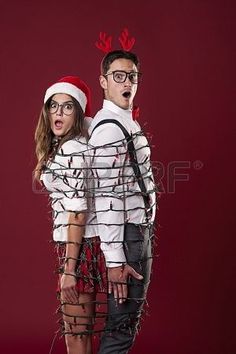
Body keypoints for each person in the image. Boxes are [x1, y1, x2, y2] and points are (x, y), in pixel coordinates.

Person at [88, 50, 157, 353]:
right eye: (118, 75)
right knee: (121, 327)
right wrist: (115, 260)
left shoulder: (125, 121)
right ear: (104, 81)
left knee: (127, 322)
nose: (127, 81)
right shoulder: (108, 130)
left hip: (138, 232)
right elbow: (106, 197)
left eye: (132, 75)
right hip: (127, 237)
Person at [34, 76, 107, 354]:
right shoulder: (66, 146)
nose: (59, 113)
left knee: (75, 333)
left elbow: (78, 213)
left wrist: (69, 269)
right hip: (80, 244)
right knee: (80, 331)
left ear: (78, 113)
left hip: (79, 246)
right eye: (54, 106)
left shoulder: (72, 150)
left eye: (67, 107)